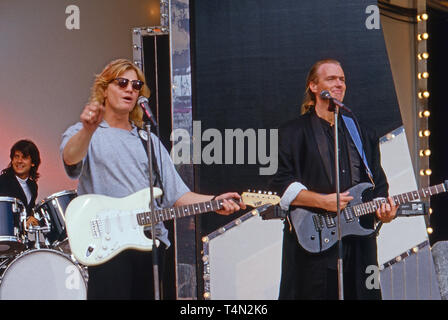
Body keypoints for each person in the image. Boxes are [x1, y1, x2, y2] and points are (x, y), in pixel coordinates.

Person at [60, 58, 245, 299]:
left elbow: (177, 195)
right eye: (122, 82)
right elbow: (70, 158)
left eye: (136, 86)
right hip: (107, 246)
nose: (130, 89)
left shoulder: (148, 140)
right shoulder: (85, 133)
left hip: (149, 243)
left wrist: (215, 200)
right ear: (104, 89)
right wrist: (87, 129)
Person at [270, 59, 397, 300]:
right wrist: (322, 201)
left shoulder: (362, 131)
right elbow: (279, 184)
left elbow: (377, 184)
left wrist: (384, 212)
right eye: (331, 79)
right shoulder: (292, 133)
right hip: (313, 241)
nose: (339, 84)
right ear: (314, 87)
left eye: (342, 79)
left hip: (359, 243)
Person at [0, 139, 41, 228]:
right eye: (16, 156)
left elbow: (28, 212)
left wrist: (32, 219)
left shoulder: (33, 186)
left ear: (33, 163)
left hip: (21, 239)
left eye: (24, 157)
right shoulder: (3, 181)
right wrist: (23, 221)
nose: (19, 161)